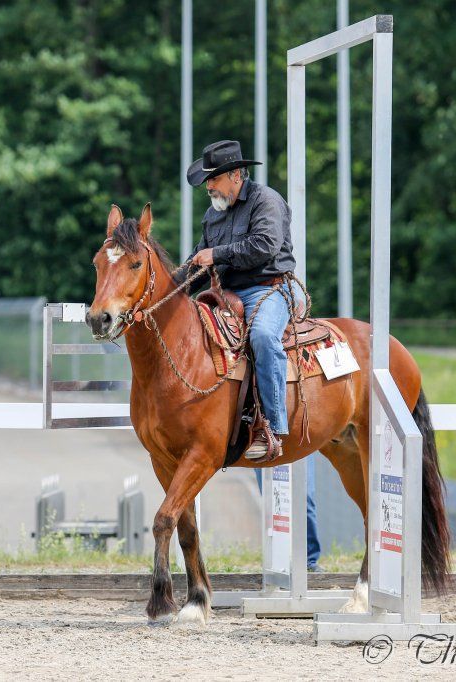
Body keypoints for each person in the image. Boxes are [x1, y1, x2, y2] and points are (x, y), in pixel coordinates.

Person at [176, 139, 322, 568]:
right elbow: (201, 261)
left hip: (269, 290)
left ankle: (273, 427)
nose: (209, 188)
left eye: (213, 180)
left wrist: (215, 254)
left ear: (236, 175)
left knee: (261, 339)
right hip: (227, 293)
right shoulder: (214, 214)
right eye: (206, 183)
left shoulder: (267, 202)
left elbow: (263, 248)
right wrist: (171, 289)